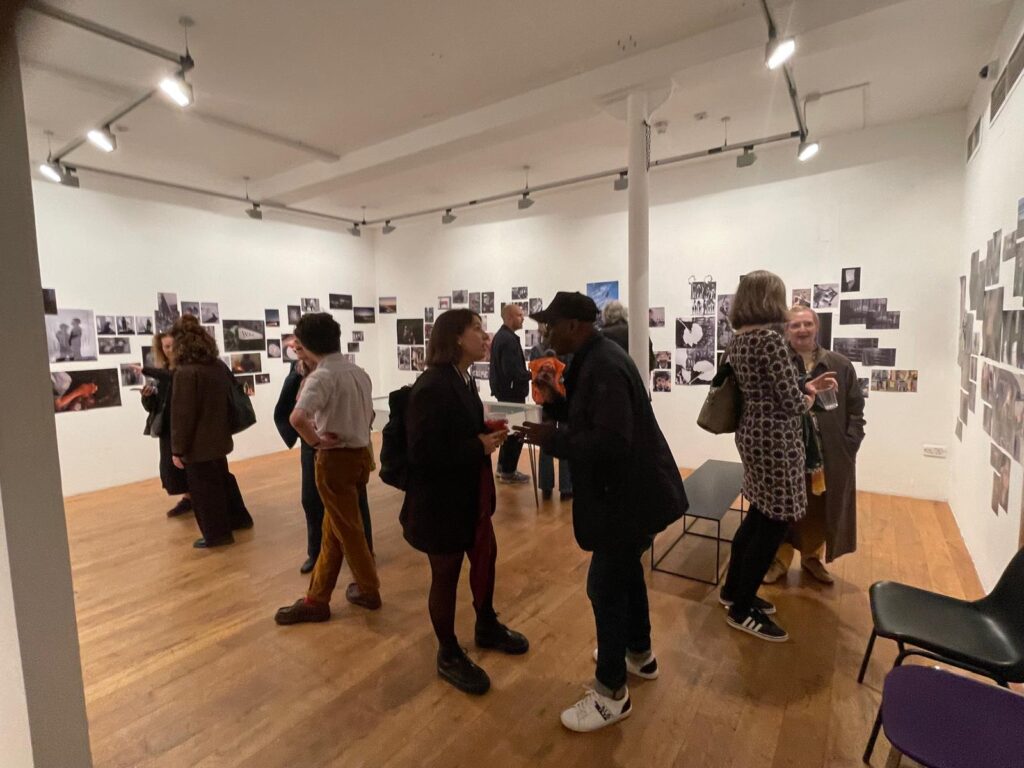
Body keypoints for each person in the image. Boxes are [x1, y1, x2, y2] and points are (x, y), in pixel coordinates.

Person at [516, 291, 688, 733]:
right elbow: (591, 419)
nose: (547, 335)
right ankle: (639, 654)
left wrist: (552, 439)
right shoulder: (593, 360)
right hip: (632, 495)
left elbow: (611, 441)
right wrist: (557, 401)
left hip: (627, 499)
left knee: (604, 588)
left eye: (551, 326)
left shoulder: (604, 364)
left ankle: (612, 693)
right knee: (626, 574)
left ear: (574, 325)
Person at [400, 309, 529, 695]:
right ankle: (448, 652)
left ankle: (485, 625)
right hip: (441, 505)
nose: (485, 334)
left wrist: (484, 432)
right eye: (476, 328)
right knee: (446, 574)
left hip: (468, 498)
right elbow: (421, 452)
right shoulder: (432, 385)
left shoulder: (463, 379)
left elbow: (453, 430)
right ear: (456, 338)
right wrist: (476, 444)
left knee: (485, 558)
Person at [718, 272, 836, 642]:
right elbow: (789, 402)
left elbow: (769, 390)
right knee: (772, 524)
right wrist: (809, 397)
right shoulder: (770, 340)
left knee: (757, 517)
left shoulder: (740, 339)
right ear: (771, 298)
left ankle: (732, 591)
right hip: (776, 441)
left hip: (753, 434)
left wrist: (805, 387)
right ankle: (741, 608)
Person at [275, 313, 381, 624]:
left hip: (335, 461)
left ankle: (369, 590)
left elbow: (297, 418)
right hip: (361, 455)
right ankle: (316, 598)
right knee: (333, 530)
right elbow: (370, 415)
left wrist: (318, 442)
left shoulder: (321, 377)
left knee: (348, 531)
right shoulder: (358, 372)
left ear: (304, 346)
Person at [763, 307, 865, 585]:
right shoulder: (777, 363)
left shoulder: (840, 364)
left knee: (821, 508)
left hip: (828, 454)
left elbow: (856, 408)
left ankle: (811, 559)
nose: (802, 330)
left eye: (807, 324)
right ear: (787, 329)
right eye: (795, 325)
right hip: (785, 453)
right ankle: (779, 561)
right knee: (783, 507)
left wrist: (850, 443)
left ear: (816, 327)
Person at [170, 316, 253, 547]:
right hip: (219, 438)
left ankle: (217, 535)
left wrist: (177, 449)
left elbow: (183, 415)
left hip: (199, 445)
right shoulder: (216, 366)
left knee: (204, 491)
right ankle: (239, 519)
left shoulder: (186, 373)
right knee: (222, 481)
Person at [133, 331, 191, 517]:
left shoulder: (185, 369)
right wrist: (147, 397)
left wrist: (144, 369)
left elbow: (173, 377)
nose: (169, 350)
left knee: (188, 465)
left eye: (172, 346)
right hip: (167, 427)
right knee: (171, 468)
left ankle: (197, 498)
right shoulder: (163, 372)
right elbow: (154, 406)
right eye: (166, 347)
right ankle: (189, 498)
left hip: (184, 426)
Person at [527, 326, 572, 501]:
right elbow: (570, 373)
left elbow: (533, 375)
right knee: (566, 438)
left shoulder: (536, 350)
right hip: (564, 397)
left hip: (544, 400)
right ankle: (567, 487)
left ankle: (545, 486)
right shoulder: (565, 349)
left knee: (545, 438)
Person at [488, 303, 531, 484]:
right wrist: (532, 374)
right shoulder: (508, 339)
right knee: (516, 434)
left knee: (509, 431)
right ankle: (508, 471)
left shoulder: (502, 337)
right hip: (512, 394)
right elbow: (512, 371)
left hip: (505, 393)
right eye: (520, 315)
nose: (523, 318)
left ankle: (502, 468)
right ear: (510, 317)